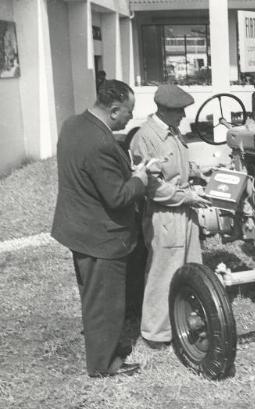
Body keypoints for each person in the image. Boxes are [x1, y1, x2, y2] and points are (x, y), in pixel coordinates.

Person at [51, 80, 148, 377]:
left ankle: (103, 346)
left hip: (77, 227)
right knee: (106, 302)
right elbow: (117, 197)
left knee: (93, 296)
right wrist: (140, 180)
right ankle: (104, 364)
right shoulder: (102, 143)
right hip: (100, 235)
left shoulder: (72, 125)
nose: (131, 117)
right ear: (114, 109)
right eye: (129, 112)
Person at [130, 84, 209, 349]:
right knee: (163, 272)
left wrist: (199, 173)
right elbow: (153, 187)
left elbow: (179, 166)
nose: (183, 116)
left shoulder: (172, 132)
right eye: (179, 112)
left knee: (191, 268)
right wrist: (188, 197)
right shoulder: (145, 137)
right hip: (165, 215)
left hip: (185, 211)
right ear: (164, 110)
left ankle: (185, 322)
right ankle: (156, 333)